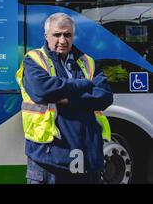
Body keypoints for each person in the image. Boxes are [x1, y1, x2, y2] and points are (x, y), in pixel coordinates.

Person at [15, 12, 113, 184]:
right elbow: (42, 91)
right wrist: (84, 84)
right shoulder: (34, 60)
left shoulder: (88, 61)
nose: (62, 40)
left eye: (67, 34)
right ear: (46, 36)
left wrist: (68, 99)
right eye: (57, 35)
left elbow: (104, 97)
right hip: (49, 162)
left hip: (88, 160)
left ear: (73, 36)